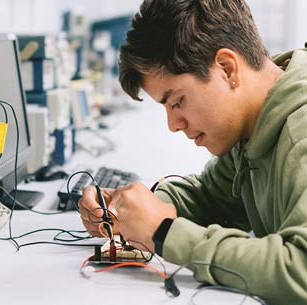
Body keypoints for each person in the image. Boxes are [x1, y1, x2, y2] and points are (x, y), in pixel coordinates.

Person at [78, 1, 307, 304]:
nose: (173, 124)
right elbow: (213, 199)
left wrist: (164, 232)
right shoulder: (254, 124)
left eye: (177, 102)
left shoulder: (300, 134)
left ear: (226, 68)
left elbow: (301, 271)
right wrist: (134, 208)